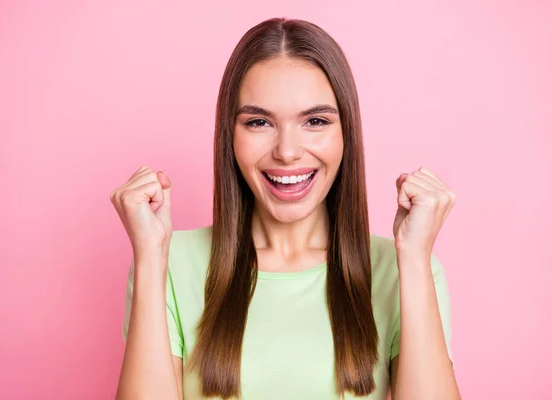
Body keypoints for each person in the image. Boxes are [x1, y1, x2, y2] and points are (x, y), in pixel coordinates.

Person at [111, 17, 461, 400]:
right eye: (259, 122)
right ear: (231, 136)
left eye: (315, 121)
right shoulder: (170, 264)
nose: (287, 151)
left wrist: (413, 259)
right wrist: (149, 255)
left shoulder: (401, 269)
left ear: (347, 135)